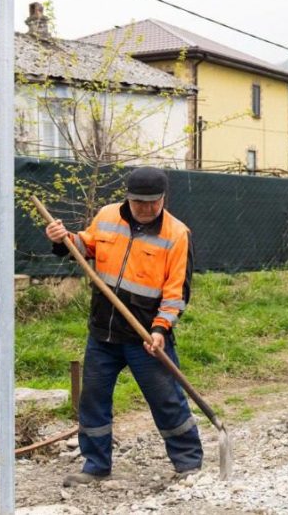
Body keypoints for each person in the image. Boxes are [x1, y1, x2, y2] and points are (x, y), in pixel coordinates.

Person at [45, 166, 202, 486]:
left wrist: (160, 330)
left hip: (145, 338)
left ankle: (188, 463)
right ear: (127, 198)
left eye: (152, 203)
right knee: (93, 398)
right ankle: (96, 465)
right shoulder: (106, 216)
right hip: (103, 331)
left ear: (163, 199)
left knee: (166, 399)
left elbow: (176, 294)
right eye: (138, 202)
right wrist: (64, 239)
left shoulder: (177, 234)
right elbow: (86, 246)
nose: (145, 209)